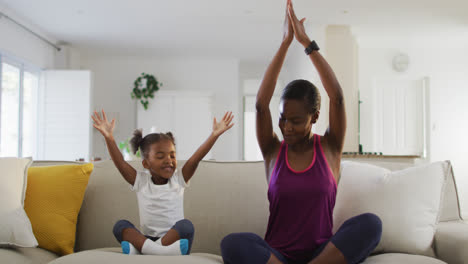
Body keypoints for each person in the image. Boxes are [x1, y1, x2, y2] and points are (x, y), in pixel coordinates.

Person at [220, 1, 382, 263]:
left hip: (322, 254)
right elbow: (261, 105)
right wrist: (285, 42)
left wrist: (307, 43)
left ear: (314, 117)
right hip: (277, 256)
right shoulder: (273, 151)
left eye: (295, 121)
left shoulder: (329, 147)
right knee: (232, 244)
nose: (286, 128)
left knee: (371, 224)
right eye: (283, 119)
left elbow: (338, 98)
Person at [91, 110, 234, 256]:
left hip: (175, 239)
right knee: (120, 226)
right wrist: (109, 137)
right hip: (147, 238)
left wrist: (214, 135)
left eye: (172, 155)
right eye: (160, 156)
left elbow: (196, 159)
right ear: (146, 164)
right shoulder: (140, 181)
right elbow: (120, 163)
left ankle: (145, 251)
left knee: (186, 226)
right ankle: (159, 251)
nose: (169, 160)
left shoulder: (179, 179)